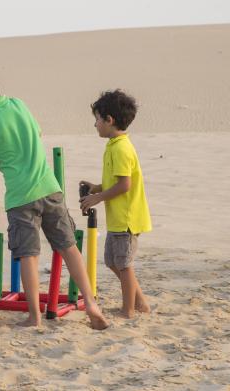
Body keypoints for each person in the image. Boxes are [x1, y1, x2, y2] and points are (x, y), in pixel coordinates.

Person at [0, 63, 109, 329]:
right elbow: (37, 133)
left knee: (28, 254)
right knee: (68, 247)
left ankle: (34, 317)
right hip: (50, 187)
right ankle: (91, 302)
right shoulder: (18, 103)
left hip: (20, 196)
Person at [80, 89, 152, 318]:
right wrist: (96, 187)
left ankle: (129, 309)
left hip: (127, 219)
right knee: (112, 261)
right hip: (117, 219)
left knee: (124, 264)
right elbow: (114, 181)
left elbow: (124, 185)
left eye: (97, 120)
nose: (95, 125)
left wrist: (96, 198)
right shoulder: (113, 145)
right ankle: (140, 302)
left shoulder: (121, 148)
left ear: (109, 120)